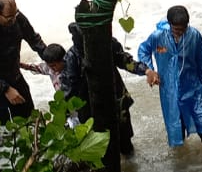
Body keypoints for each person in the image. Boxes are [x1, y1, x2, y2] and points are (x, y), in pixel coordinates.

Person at [60, 22, 149, 154]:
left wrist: (145, 70)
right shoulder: (72, 57)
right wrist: (64, 114)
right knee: (100, 146)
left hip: (116, 99)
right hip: (90, 106)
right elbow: (69, 89)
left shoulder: (108, 44)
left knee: (124, 140)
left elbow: (124, 61)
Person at [138, 5, 202, 147]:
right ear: (169, 25)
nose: (180, 33)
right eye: (176, 30)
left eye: (183, 29)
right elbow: (143, 50)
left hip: (194, 88)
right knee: (176, 127)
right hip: (169, 91)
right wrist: (150, 71)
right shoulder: (158, 37)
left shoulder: (194, 35)